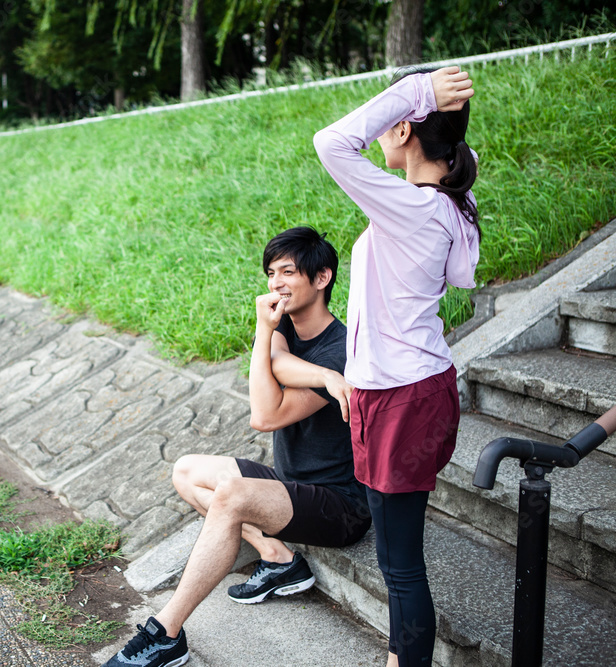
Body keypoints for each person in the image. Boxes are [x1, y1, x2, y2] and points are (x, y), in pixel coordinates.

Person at [102, 226, 371, 667]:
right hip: (291, 486)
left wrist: (312, 365)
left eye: (288, 272)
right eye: (270, 272)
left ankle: (166, 633)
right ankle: (276, 557)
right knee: (187, 471)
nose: (275, 283)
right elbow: (278, 362)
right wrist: (305, 365)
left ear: (321, 278)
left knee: (231, 494)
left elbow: (264, 416)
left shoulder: (342, 352)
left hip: (339, 506)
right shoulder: (284, 329)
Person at [306, 66, 481, 667]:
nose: (379, 125)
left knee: (401, 569)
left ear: (403, 125)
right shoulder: (451, 204)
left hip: (402, 397)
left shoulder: (415, 207)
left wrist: (417, 92)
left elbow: (331, 143)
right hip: (415, 387)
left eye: (390, 120)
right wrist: (428, 105)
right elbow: (458, 272)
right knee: (400, 562)